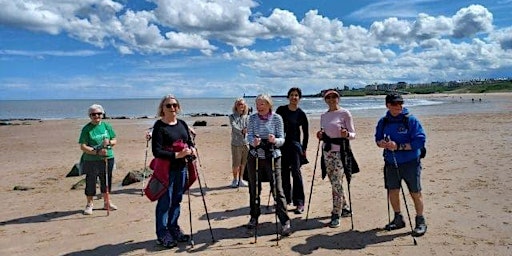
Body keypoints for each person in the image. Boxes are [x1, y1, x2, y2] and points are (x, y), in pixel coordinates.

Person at [375, 93, 427, 237]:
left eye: (400, 103)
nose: (398, 106)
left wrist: (398, 146)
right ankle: (398, 218)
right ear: (388, 105)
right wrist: (383, 144)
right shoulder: (383, 122)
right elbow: (377, 139)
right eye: (394, 104)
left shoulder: (410, 120)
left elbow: (419, 141)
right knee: (393, 191)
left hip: (410, 162)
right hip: (390, 162)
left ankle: (420, 220)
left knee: (415, 192)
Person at [151, 94, 197, 248]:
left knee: (177, 200)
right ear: (162, 109)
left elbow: (189, 142)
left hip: (181, 169)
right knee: (164, 202)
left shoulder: (182, 124)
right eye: (168, 105)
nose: (172, 108)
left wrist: (191, 150)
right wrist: (177, 155)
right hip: (165, 170)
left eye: (175, 105)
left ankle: (173, 228)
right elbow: (156, 151)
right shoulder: (159, 126)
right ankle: (162, 234)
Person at [246, 94, 292, 236]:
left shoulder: (277, 118)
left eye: (262, 104)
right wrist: (253, 142)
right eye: (257, 104)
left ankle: (284, 221)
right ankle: (254, 216)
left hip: (273, 156)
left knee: (277, 190)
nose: (259, 107)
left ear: (269, 105)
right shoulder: (252, 118)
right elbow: (249, 136)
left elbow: (282, 138)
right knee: (254, 188)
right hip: (255, 156)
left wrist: (274, 140)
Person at [316, 90, 355, 228]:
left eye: (334, 97)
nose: (331, 99)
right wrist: (320, 135)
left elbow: (353, 134)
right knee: (334, 182)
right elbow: (324, 132)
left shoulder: (345, 113)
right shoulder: (324, 116)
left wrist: (347, 134)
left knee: (336, 182)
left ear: (338, 98)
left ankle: (336, 213)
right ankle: (345, 207)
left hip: (341, 152)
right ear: (325, 100)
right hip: (327, 152)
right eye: (328, 97)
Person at [79, 104, 117, 215]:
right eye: (93, 114)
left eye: (99, 114)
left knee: (106, 180)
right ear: (90, 116)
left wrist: (109, 142)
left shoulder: (106, 126)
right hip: (91, 159)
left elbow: (114, 139)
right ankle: (89, 204)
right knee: (91, 181)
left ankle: (107, 202)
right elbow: (83, 146)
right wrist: (96, 152)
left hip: (108, 157)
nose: (96, 116)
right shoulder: (86, 129)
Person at [276, 87, 309, 214]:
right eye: (292, 95)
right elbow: (275, 125)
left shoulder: (301, 113)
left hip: (295, 146)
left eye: (296, 95)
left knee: (296, 173)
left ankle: (299, 202)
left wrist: (304, 148)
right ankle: (286, 200)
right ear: (288, 97)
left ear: (299, 98)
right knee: (283, 173)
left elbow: (305, 133)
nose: (294, 97)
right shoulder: (281, 110)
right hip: (282, 145)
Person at [228, 98, 249, 188]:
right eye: (239, 104)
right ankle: (235, 179)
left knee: (243, 163)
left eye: (243, 104)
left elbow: (249, 127)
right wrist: (242, 131)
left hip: (246, 143)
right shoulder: (232, 116)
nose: (241, 106)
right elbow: (234, 126)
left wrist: (247, 130)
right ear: (236, 106)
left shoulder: (247, 117)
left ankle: (241, 179)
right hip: (236, 143)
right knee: (236, 163)